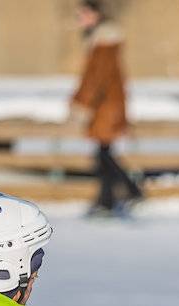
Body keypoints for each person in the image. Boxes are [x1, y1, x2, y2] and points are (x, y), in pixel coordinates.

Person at [72, 1, 142, 218]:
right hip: (108, 104)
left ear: (96, 14)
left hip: (104, 106)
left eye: (83, 14)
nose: (80, 19)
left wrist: (82, 103)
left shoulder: (103, 43)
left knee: (103, 155)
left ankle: (130, 191)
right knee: (103, 153)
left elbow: (96, 79)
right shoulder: (101, 41)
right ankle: (108, 201)